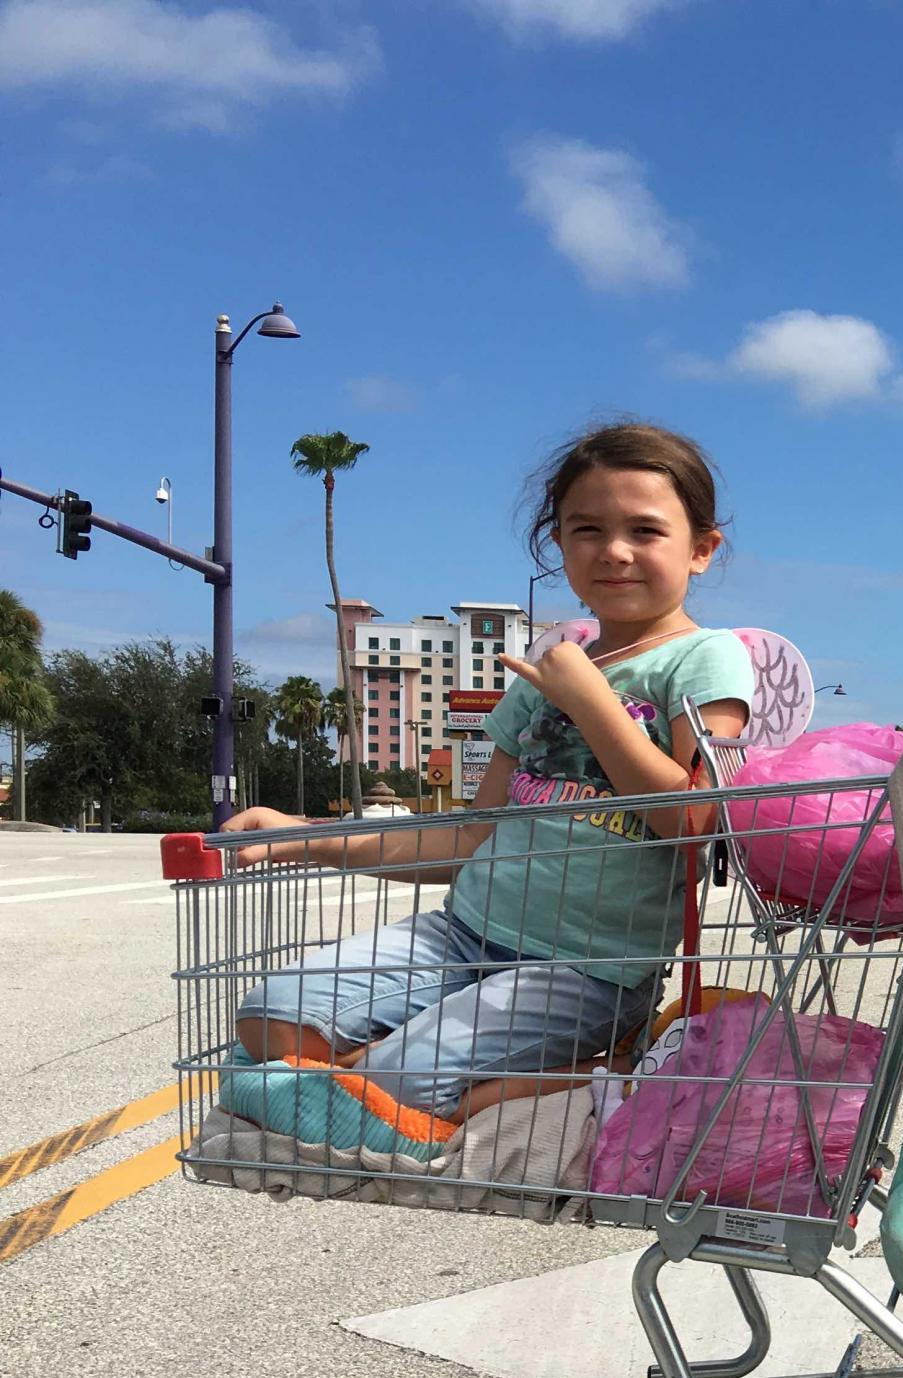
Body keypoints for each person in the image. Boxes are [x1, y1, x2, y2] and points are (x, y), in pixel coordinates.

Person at [217, 422, 755, 1160]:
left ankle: (596, 1060)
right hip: (465, 933)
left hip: (589, 970)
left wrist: (593, 702)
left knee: (404, 1078)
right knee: (269, 1018)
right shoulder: (546, 675)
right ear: (558, 544)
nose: (615, 550)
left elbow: (695, 822)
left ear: (701, 548)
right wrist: (300, 833)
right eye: (587, 528)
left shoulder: (705, 659)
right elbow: (472, 835)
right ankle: (374, 1077)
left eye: (645, 530)